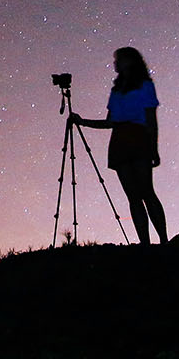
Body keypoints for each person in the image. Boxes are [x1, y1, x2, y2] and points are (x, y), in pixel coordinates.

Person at [70, 46, 169, 244]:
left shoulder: (145, 85)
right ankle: (145, 243)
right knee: (133, 196)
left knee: (147, 192)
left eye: (118, 59)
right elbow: (110, 123)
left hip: (138, 138)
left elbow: (151, 119)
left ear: (130, 61)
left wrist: (153, 148)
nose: (115, 63)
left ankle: (164, 241)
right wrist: (82, 122)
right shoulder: (116, 91)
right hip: (120, 142)